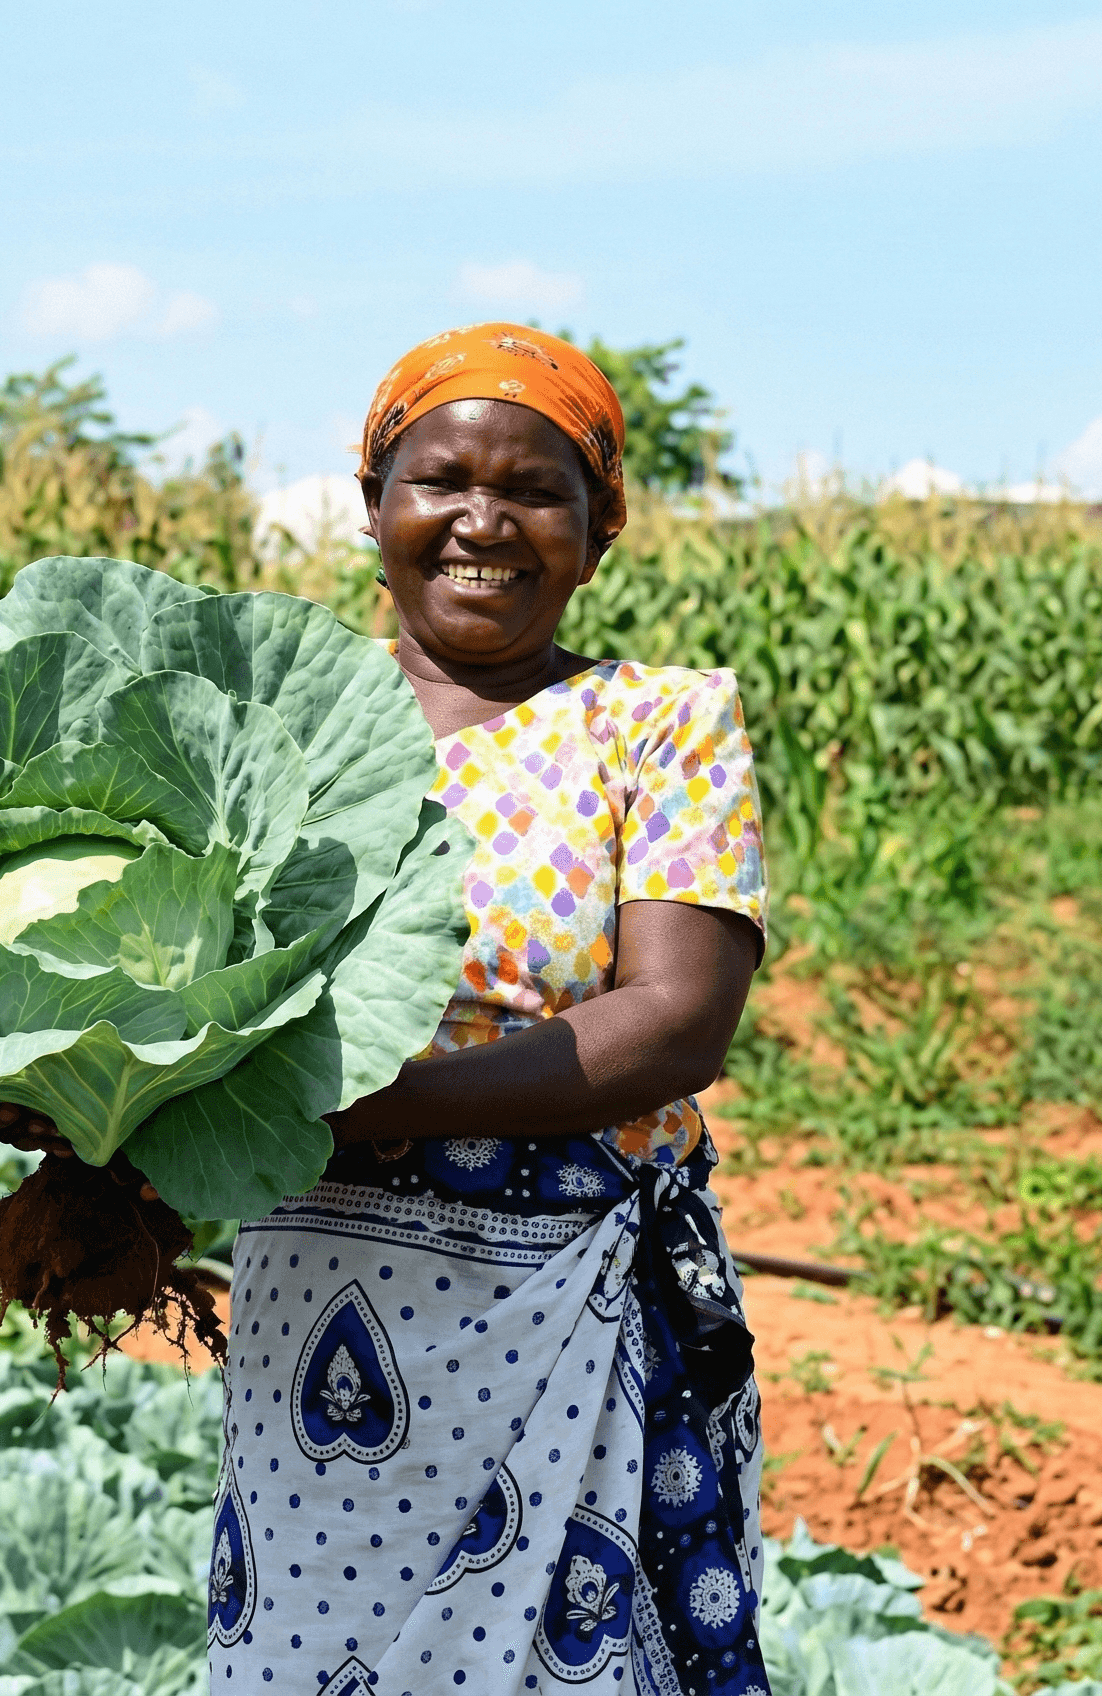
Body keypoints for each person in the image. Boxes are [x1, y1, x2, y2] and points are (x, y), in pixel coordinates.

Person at [206, 323, 771, 1695]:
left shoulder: (660, 725)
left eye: (533, 489)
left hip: (566, 1291)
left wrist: (379, 1103)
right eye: (440, 479)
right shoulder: (270, 721)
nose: (481, 520)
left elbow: (676, 1021)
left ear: (597, 530)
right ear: (374, 505)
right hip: (316, 1301)